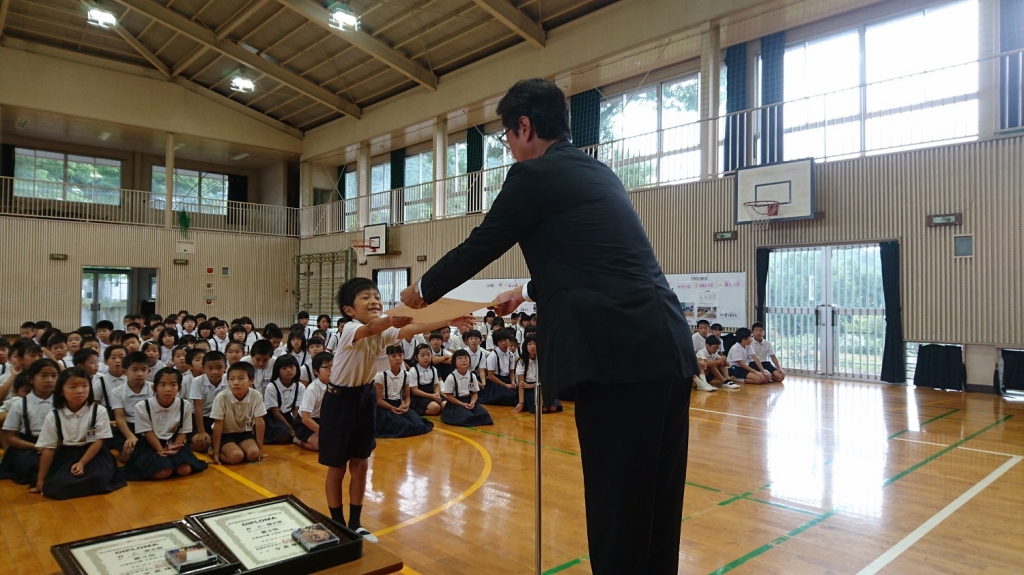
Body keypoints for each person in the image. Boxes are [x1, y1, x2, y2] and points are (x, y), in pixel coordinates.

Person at [401, 79, 699, 575]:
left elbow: (482, 243)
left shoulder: (533, 174)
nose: (510, 147)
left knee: (617, 508)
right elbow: (596, 262)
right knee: (658, 506)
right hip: (667, 347)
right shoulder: (598, 172)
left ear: (524, 126)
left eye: (507, 137)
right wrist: (525, 291)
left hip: (616, 357)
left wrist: (422, 290)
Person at [323, 278, 472, 543]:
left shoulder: (383, 330)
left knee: (360, 463)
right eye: (366, 297)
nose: (374, 301)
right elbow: (372, 327)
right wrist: (390, 319)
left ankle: (355, 524)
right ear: (349, 310)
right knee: (337, 467)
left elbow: (414, 327)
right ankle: (337, 524)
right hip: (339, 401)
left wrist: (449, 320)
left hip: (365, 397)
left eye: (376, 297)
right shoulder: (350, 329)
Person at [32, 367, 126, 499]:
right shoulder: (54, 416)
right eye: (73, 387)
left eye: (84, 386)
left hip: (93, 453)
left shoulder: (98, 411)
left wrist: (82, 463)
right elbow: (49, 448)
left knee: (99, 478)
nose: (80, 391)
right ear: (61, 391)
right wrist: (41, 481)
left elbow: (98, 441)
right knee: (56, 486)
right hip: (66, 454)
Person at [124, 367, 206, 480]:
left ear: (179, 388)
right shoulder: (142, 406)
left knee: (185, 469)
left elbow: (184, 432)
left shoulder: (185, 405)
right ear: (154, 388)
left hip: (174, 443)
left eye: (173, 385)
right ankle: (166, 466)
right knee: (164, 472)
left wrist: (174, 448)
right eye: (162, 385)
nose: (168, 389)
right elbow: (148, 433)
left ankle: (170, 465)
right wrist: (162, 451)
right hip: (151, 444)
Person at [0, 359, 59, 486]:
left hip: (58, 444)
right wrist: (35, 446)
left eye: (54, 376)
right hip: (29, 446)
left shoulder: (63, 402)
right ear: (31, 379)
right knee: (32, 464)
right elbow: (10, 437)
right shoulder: (19, 404)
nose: (49, 380)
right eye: (43, 375)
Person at [210, 362, 266, 465]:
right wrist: (216, 454)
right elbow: (218, 425)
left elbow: (259, 422)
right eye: (231, 379)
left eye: (241, 378)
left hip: (244, 433)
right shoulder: (221, 397)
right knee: (236, 457)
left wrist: (260, 448)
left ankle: (239, 449)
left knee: (254, 454)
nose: (235, 382)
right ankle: (214, 449)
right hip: (225, 435)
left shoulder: (256, 395)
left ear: (251, 380)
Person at [373, 345, 433, 438]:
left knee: (418, 424)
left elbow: (407, 396)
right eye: (393, 356)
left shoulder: (406, 374)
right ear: (386, 357)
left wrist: (406, 405)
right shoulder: (380, 375)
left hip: (400, 405)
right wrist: (393, 408)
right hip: (384, 407)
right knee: (399, 425)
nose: (398, 358)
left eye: (400, 355)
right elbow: (378, 400)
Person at [111, 352, 154, 462]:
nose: (139, 374)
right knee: (127, 456)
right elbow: (119, 418)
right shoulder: (117, 391)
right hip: (128, 426)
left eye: (144, 370)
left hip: (149, 426)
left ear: (149, 371)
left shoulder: (153, 388)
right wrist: (130, 436)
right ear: (124, 372)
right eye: (134, 370)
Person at [188, 350, 228, 453]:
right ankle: (188, 444)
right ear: (203, 369)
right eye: (210, 368)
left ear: (225, 367)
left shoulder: (229, 380)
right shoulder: (197, 381)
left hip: (219, 419)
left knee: (216, 441)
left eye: (219, 368)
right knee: (202, 443)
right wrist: (201, 432)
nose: (215, 372)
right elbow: (198, 407)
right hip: (199, 418)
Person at [440, 350, 493, 427]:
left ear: (469, 361)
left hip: (469, 401)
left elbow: (475, 393)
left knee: (485, 415)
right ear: (454, 362)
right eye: (460, 358)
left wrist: (472, 402)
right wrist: (462, 404)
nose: (464, 360)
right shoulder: (451, 377)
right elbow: (449, 396)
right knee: (466, 416)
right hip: (456, 403)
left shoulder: (472, 376)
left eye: (466, 358)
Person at [513, 334, 562, 413]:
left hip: (541, 387)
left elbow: (547, 380)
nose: (532, 346)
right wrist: (521, 402)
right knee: (542, 408)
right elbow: (521, 384)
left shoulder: (543, 360)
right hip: (528, 391)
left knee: (553, 407)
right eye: (529, 344)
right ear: (525, 346)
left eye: (535, 344)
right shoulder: (522, 361)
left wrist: (532, 385)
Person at [263, 355, 304, 445]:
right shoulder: (272, 387)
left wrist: (295, 425)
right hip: (274, 417)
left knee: (303, 429)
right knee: (283, 435)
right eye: (284, 368)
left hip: (290, 416)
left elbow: (297, 409)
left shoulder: (300, 386)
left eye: (291, 367)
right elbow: (275, 412)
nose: (289, 370)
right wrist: (290, 428)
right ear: (278, 371)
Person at [296, 353, 328, 452]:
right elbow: (305, 419)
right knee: (319, 445)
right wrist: (324, 433)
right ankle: (297, 440)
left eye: (333, 366)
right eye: (327, 367)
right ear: (316, 371)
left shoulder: (335, 385)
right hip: (306, 423)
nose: (331, 370)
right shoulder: (312, 389)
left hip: (323, 420)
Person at [481, 330, 518, 406]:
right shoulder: (493, 356)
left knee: (517, 395)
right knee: (506, 397)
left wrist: (513, 382)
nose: (504, 343)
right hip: (495, 382)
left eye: (506, 340)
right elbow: (490, 376)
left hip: (507, 380)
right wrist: (505, 385)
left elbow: (511, 372)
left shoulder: (511, 355)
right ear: (497, 343)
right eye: (501, 341)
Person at [408, 344, 444, 416]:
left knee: (445, 405)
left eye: (428, 355)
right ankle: (417, 411)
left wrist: (437, 394)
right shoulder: (413, 370)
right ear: (416, 357)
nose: (426, 357)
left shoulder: (433, 369)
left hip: (432, 394)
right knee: (435, 408)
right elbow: (415, 391)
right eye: (422, 355)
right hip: (419, 397)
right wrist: (431, 396)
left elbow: (436, 385)